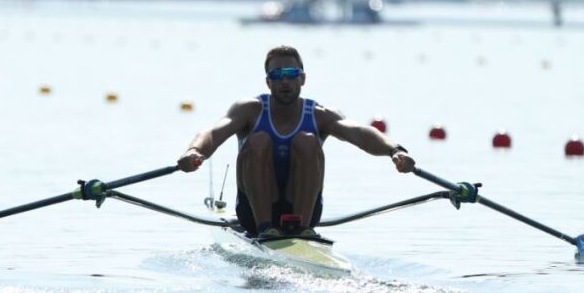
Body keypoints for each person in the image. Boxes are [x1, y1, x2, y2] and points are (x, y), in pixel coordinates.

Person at [177, 45, 415, 240]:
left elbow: (361, 133)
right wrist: (194, 151)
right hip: (253, 214)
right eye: (277, 75)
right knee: (258, 140)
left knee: (307, 141)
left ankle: (301, 230)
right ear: (268, 82)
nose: (285, 81)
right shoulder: (249, 110)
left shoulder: (320, 115)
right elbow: (213, 132)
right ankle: (265, 228)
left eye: (291, 74)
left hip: (304, 211)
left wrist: (395, 151)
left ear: (302, 78)